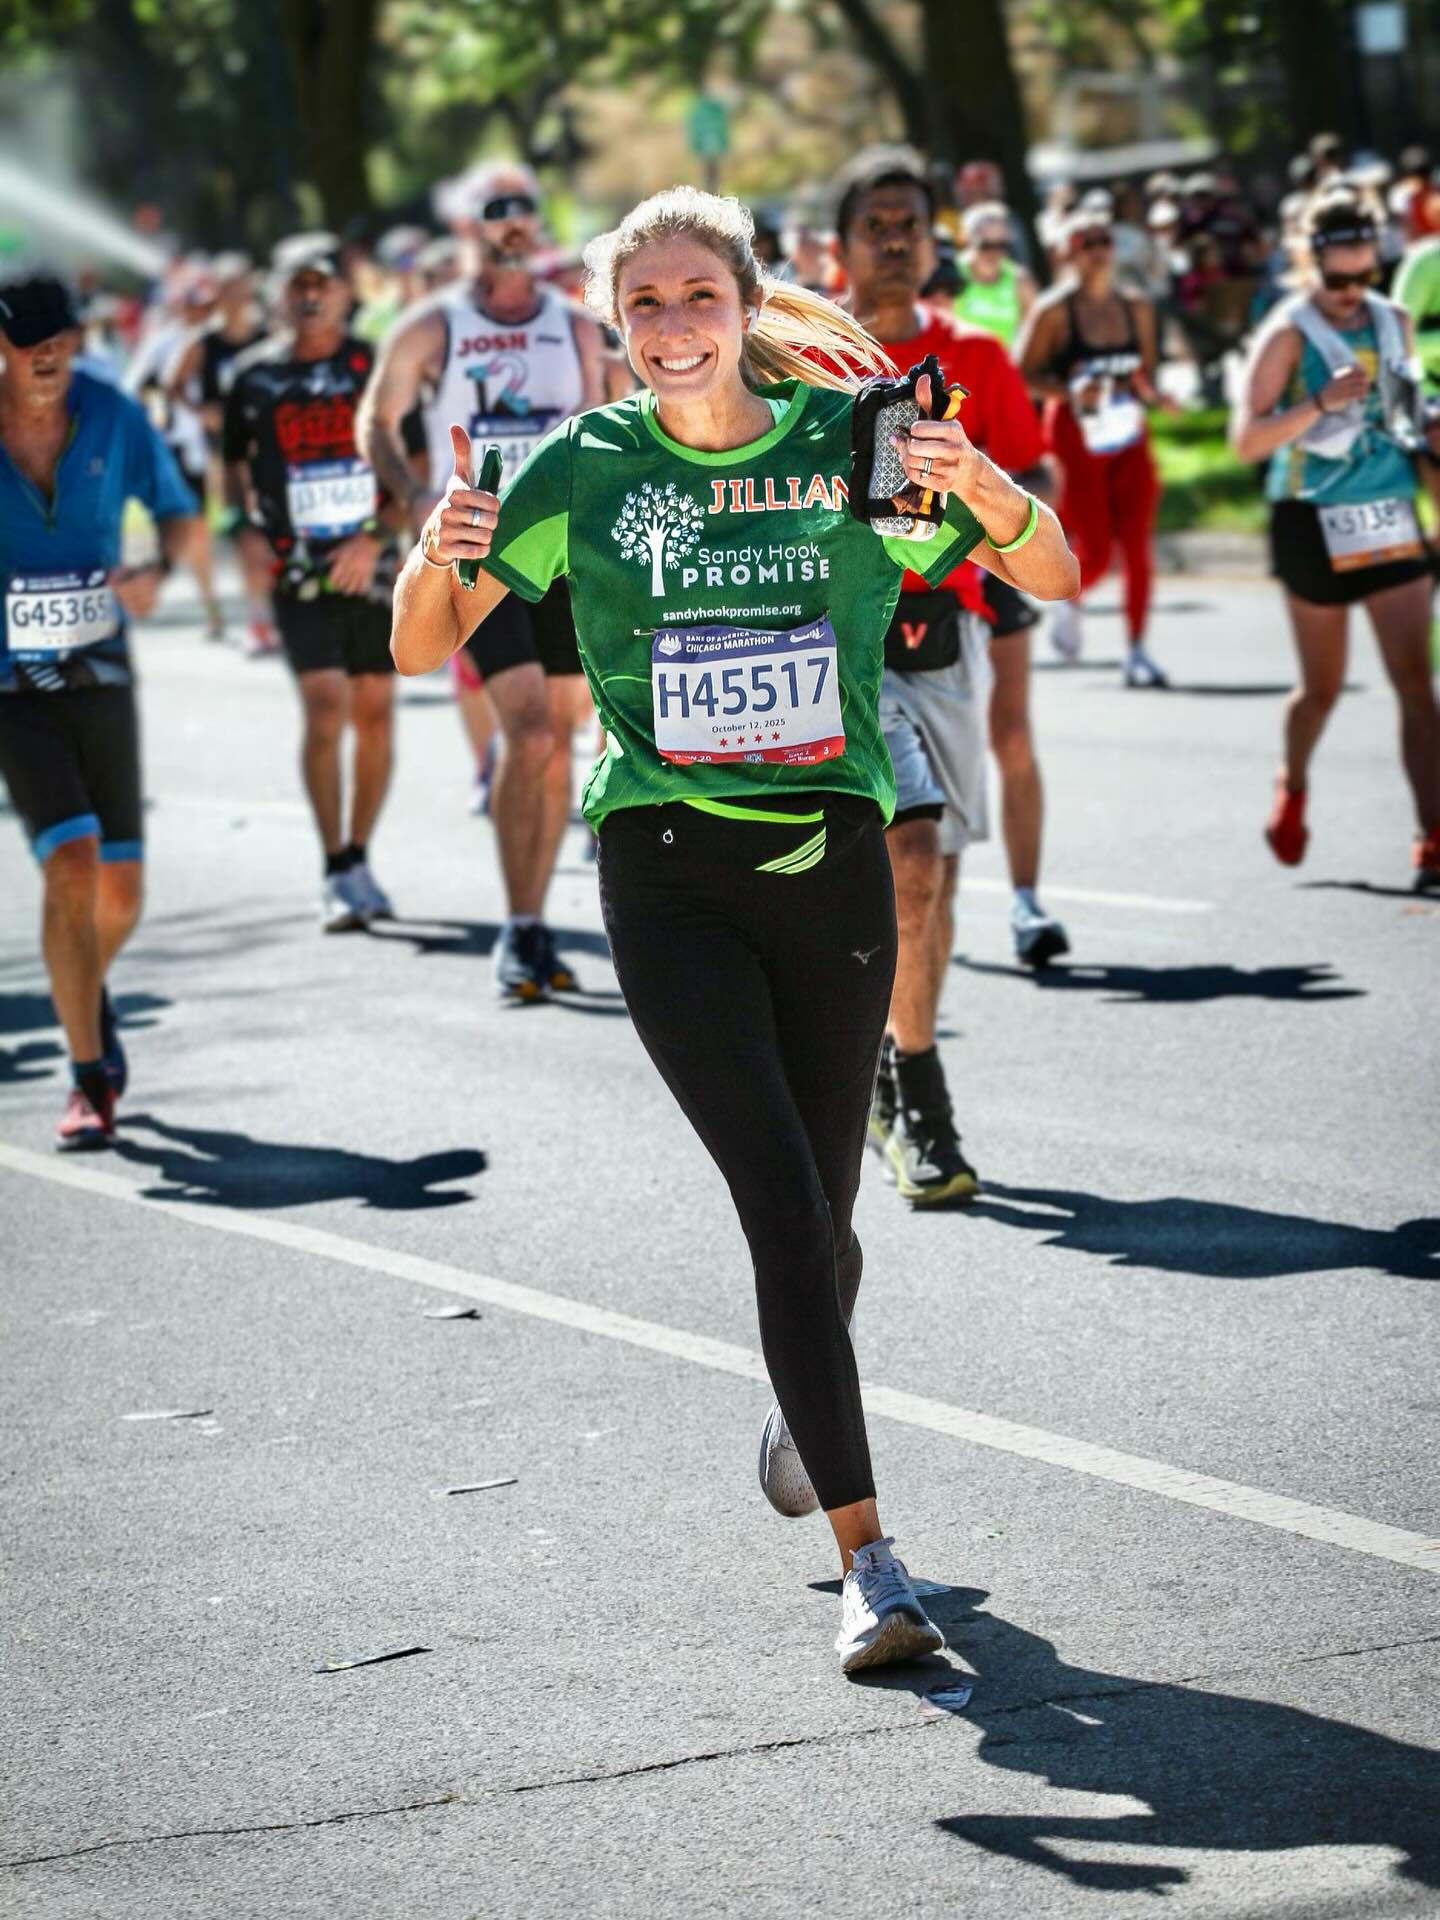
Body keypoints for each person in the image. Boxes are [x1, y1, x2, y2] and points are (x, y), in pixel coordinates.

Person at [390, 187, 1077, 1669]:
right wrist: (438, 549)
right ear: (613, 327)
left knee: (823, 1225)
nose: (673, 327)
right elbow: (417, 640)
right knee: (780, 1206)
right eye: (643, 306)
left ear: (748, 306)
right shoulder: (584, 462)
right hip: (666, 872)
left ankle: (799, 1392)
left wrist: (991, 490)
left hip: (829, 859)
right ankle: (872, 1562)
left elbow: (1050, 569)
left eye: (700, 296)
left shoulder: (856, 444)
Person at [832, 146, 1067, 1220]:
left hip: (943, 641)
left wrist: (976, 490)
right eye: (873, 223)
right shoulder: (798, 355)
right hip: (836, 650)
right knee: (913, 859)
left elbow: (1034, 493)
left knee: (938, 877)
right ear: (839, 245)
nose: (893, 238)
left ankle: (892, 1060)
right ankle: (918, 1094)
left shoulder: (976, 354)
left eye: (908, 224)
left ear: (933, 242)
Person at [359, 161, 607, 999]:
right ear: (469, 229)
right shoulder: (435, 323)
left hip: (564, 554)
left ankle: (535, 924)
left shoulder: (574, 327)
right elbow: (378, 417)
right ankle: (520, 922)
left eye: (524, 213)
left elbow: (606, 427)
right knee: (529, 731)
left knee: (562, 732)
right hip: (479, 554)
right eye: (495, 213)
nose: (513, 226)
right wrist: (414, 508)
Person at [0, 275, 199, 1147]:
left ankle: (84, 986)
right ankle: (88, 1077)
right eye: (29, 340)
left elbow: (180, 515)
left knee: (120, 887)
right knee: (72, 862)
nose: (49, 354)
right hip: (11, 688)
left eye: (62, 337)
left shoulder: (113, 415)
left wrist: (157, 570)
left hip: (102, 674)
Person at [1231, 190, 1440, 888]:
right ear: (1311, 261)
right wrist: (1318, 403)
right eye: (1337, 279)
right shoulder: (1288, 332)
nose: (1351, 294)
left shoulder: (1395, 323)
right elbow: (1245, 441)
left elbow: (1411, 427)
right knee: (1322, 689)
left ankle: (1432, 834)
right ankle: (1292, 783)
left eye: (1363, 277)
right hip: (1310, 518)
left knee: (1415, 682)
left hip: (1386, 511)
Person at [223, 233, 400, 930]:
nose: (309, 295)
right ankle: (332, 864)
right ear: (278, 294)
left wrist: (374, 536)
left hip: (373, 560)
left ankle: (359, 855)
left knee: (375, 711)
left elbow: (408, 460)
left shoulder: (372, 365)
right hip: (297, 568)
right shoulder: (252, 377)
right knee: (326, 706)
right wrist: (252, 535)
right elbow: (234, 468)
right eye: (296, 283)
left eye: (321, 282)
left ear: (344, 292)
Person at [1016, 208, 1169, 685]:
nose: (1099, 251)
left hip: (1125, 431)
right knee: (1098, 549)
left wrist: (1153, 393)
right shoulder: (1055, 310)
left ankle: (1138, 650)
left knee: (1139, 543)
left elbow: (1142, 369)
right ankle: (1071, 599)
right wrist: (1069, 393)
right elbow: (1023, 373)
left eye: (1104, 240)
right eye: (1087, 242)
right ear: (1068, 252)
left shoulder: (1136, 306)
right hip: (1074, 435)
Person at [165, 253, 273, 654]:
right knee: (245, 532)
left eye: (240, 286)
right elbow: (171, 384)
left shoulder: (266, 336)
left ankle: (279, 608)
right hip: (226, 454)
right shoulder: (204, 343)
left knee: (273, 532)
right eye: (226, 288)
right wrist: (200, 412)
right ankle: (258, 618)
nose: (235, 295)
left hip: (269, 449)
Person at [126, 258, 225, 640]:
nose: (200, 310)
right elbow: (134, 388)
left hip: (214, 449)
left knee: (201, 530)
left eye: (204, 302)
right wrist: (163, 414)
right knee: (193, 528)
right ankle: (199, 604)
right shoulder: (163, 340)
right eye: (192, 302)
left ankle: (204, 604)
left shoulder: (218, 338)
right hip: (180, 450)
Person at [953, 200, 1035, 350]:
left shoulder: (1020, 280)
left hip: (1004, 368)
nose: (995, 253)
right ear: (967, 240)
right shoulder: (952, 276)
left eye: (1001, 245)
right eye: (986, 245)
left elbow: (1032, 337)